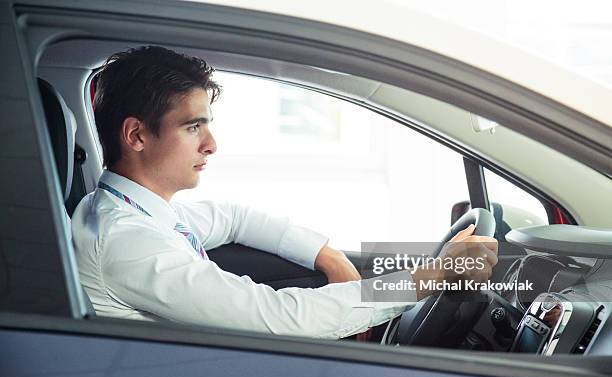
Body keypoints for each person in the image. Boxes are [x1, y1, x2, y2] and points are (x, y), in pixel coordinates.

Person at [72, 46, 498, 339]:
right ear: (136, 135)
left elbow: (233, 216)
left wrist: (327, 255)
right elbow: (279, 316)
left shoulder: (136, 210)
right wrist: (433, 276)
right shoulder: (128, 242)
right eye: (192, 127)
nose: (211, 145)